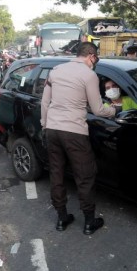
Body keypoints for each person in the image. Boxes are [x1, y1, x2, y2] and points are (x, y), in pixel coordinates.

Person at [40, 42, 117, 235]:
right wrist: (115, 109)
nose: (95, 62)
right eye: (96, 58)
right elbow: (98, 109)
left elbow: (45, 101)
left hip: (52, 129)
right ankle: (90, 221)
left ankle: (61, 218)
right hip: (74, 131)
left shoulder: (56, 70)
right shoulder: (89, 75)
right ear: (91, 55)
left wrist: (45, 124)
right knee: (85, 175)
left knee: (56, 173)